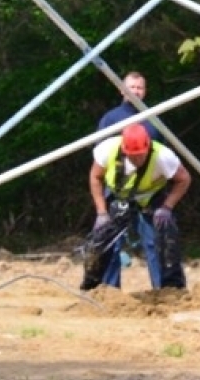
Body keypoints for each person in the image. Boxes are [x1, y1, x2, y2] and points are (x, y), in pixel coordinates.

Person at [81, 122, 191, 290]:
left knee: (161, 240)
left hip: (151, 198)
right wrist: (101, 212)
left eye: (140, 154)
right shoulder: (107, 149)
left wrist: (167, 207)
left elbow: (184, 179)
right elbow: (95, 177)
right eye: (132, 155)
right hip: (118, 196)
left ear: (148, 147)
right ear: (124, 149)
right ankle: (103, 289)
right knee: (104, 242)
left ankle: (168, 288)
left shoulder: (163, 156)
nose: (137, 159)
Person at [97, 71, 158, 138]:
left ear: (144, 92)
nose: (135, 91)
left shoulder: (153, 120)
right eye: (132, 87)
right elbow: (101, 147)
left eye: (139, 88)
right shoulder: (110, 119)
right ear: (122, 90)